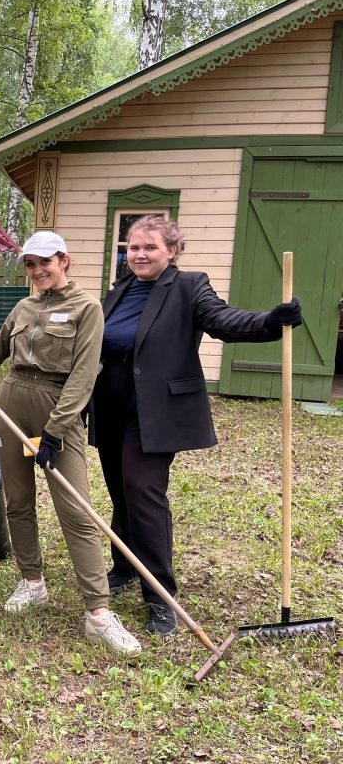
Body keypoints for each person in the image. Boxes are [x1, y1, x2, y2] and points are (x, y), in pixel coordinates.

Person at [90, 215, 302, 636]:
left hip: (154, 410)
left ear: (172, 251)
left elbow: (223, 321)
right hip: (110, 403)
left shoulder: (188, 287)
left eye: (150, 247)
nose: (139, 254)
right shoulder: (118, 290)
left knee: (143, 492)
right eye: (133, 247)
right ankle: (125, 566)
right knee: (120, 490)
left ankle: (161, 595)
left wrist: (269, 321)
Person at [0, 230, 141, 657]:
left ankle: (98, 614)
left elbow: (84, 375)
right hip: (11, 407)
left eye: (44, 262)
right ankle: (32, 582)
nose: (37, 272)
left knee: (76, 511)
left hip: (57, 414)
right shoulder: (24, 306)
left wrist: (55, 429)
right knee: (18, 501)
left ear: (64, 260)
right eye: (30, 265)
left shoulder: (87, 308)